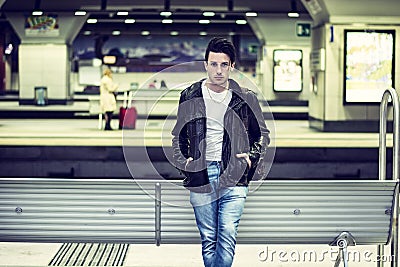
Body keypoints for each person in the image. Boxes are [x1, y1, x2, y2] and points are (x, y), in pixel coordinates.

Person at [171, 37, 270, 267]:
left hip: (234, 173)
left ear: (232, 66)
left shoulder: (246, 98)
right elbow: (179, 136)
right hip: (201, 175)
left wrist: (251, 158)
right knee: (209, 239)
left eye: (224, 64)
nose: (218, 70)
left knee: (226, 234)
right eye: (213, 64)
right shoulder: (190, 95)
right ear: (205, 64)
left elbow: (262, 135)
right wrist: (184, 163)